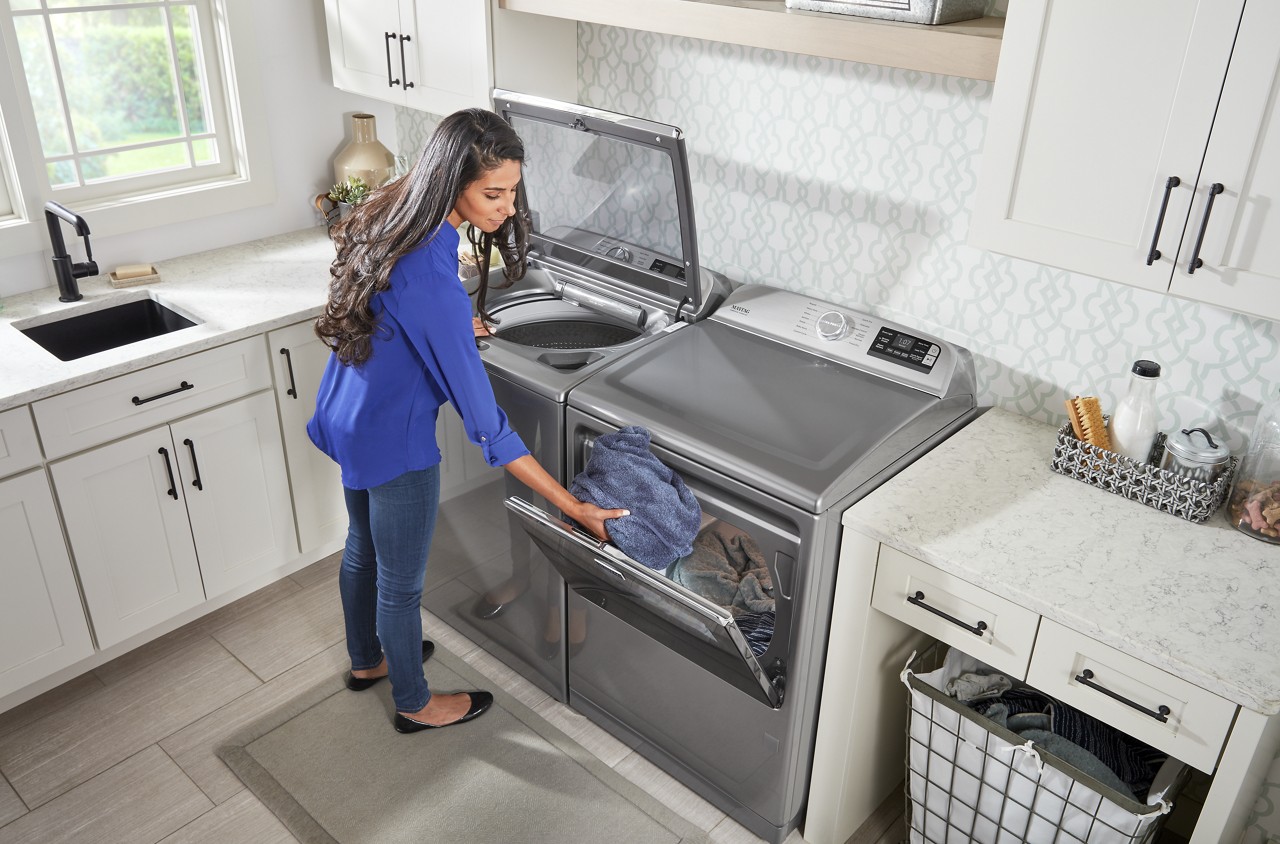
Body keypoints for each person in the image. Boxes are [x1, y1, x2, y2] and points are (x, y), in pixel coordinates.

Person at [307, 109, 626, 733]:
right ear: (453, 183)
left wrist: (453, 328)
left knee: (361, 548)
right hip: (395, 443)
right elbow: (489, 428)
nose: (507, 207)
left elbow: (400, 315)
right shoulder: (432, 272)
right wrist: (574, 506)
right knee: (400, 585)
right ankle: (415, 703)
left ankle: (368, 661)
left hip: (344, 415)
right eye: (493, 193)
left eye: (512, 190)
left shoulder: (395, 213)